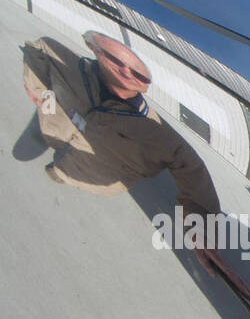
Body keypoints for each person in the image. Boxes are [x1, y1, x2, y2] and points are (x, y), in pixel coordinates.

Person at [21, 31, 219, 216]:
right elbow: (36, 50)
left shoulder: (149, 128)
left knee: (59, 174)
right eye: (116, 59)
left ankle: (60, 173)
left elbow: (190, 165)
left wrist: (201, 228)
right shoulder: (72, 68)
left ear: (145, 84)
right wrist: (45, 99)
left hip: (89, 178)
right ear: (96, 51)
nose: (126, 71)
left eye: (138, 72)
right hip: (54, 134)